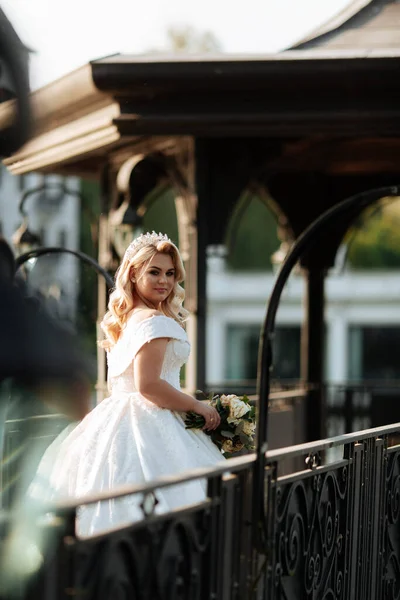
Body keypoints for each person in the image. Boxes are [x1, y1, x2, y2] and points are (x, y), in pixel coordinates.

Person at [31, 231, 224, 537]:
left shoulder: (126, 319)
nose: (165, 281)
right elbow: (148, 386)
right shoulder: (155, 321)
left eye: (170, 274)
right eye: (154, 272)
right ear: (134, 274)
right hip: (150, 419)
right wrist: (197, 406)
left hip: (112, 419)